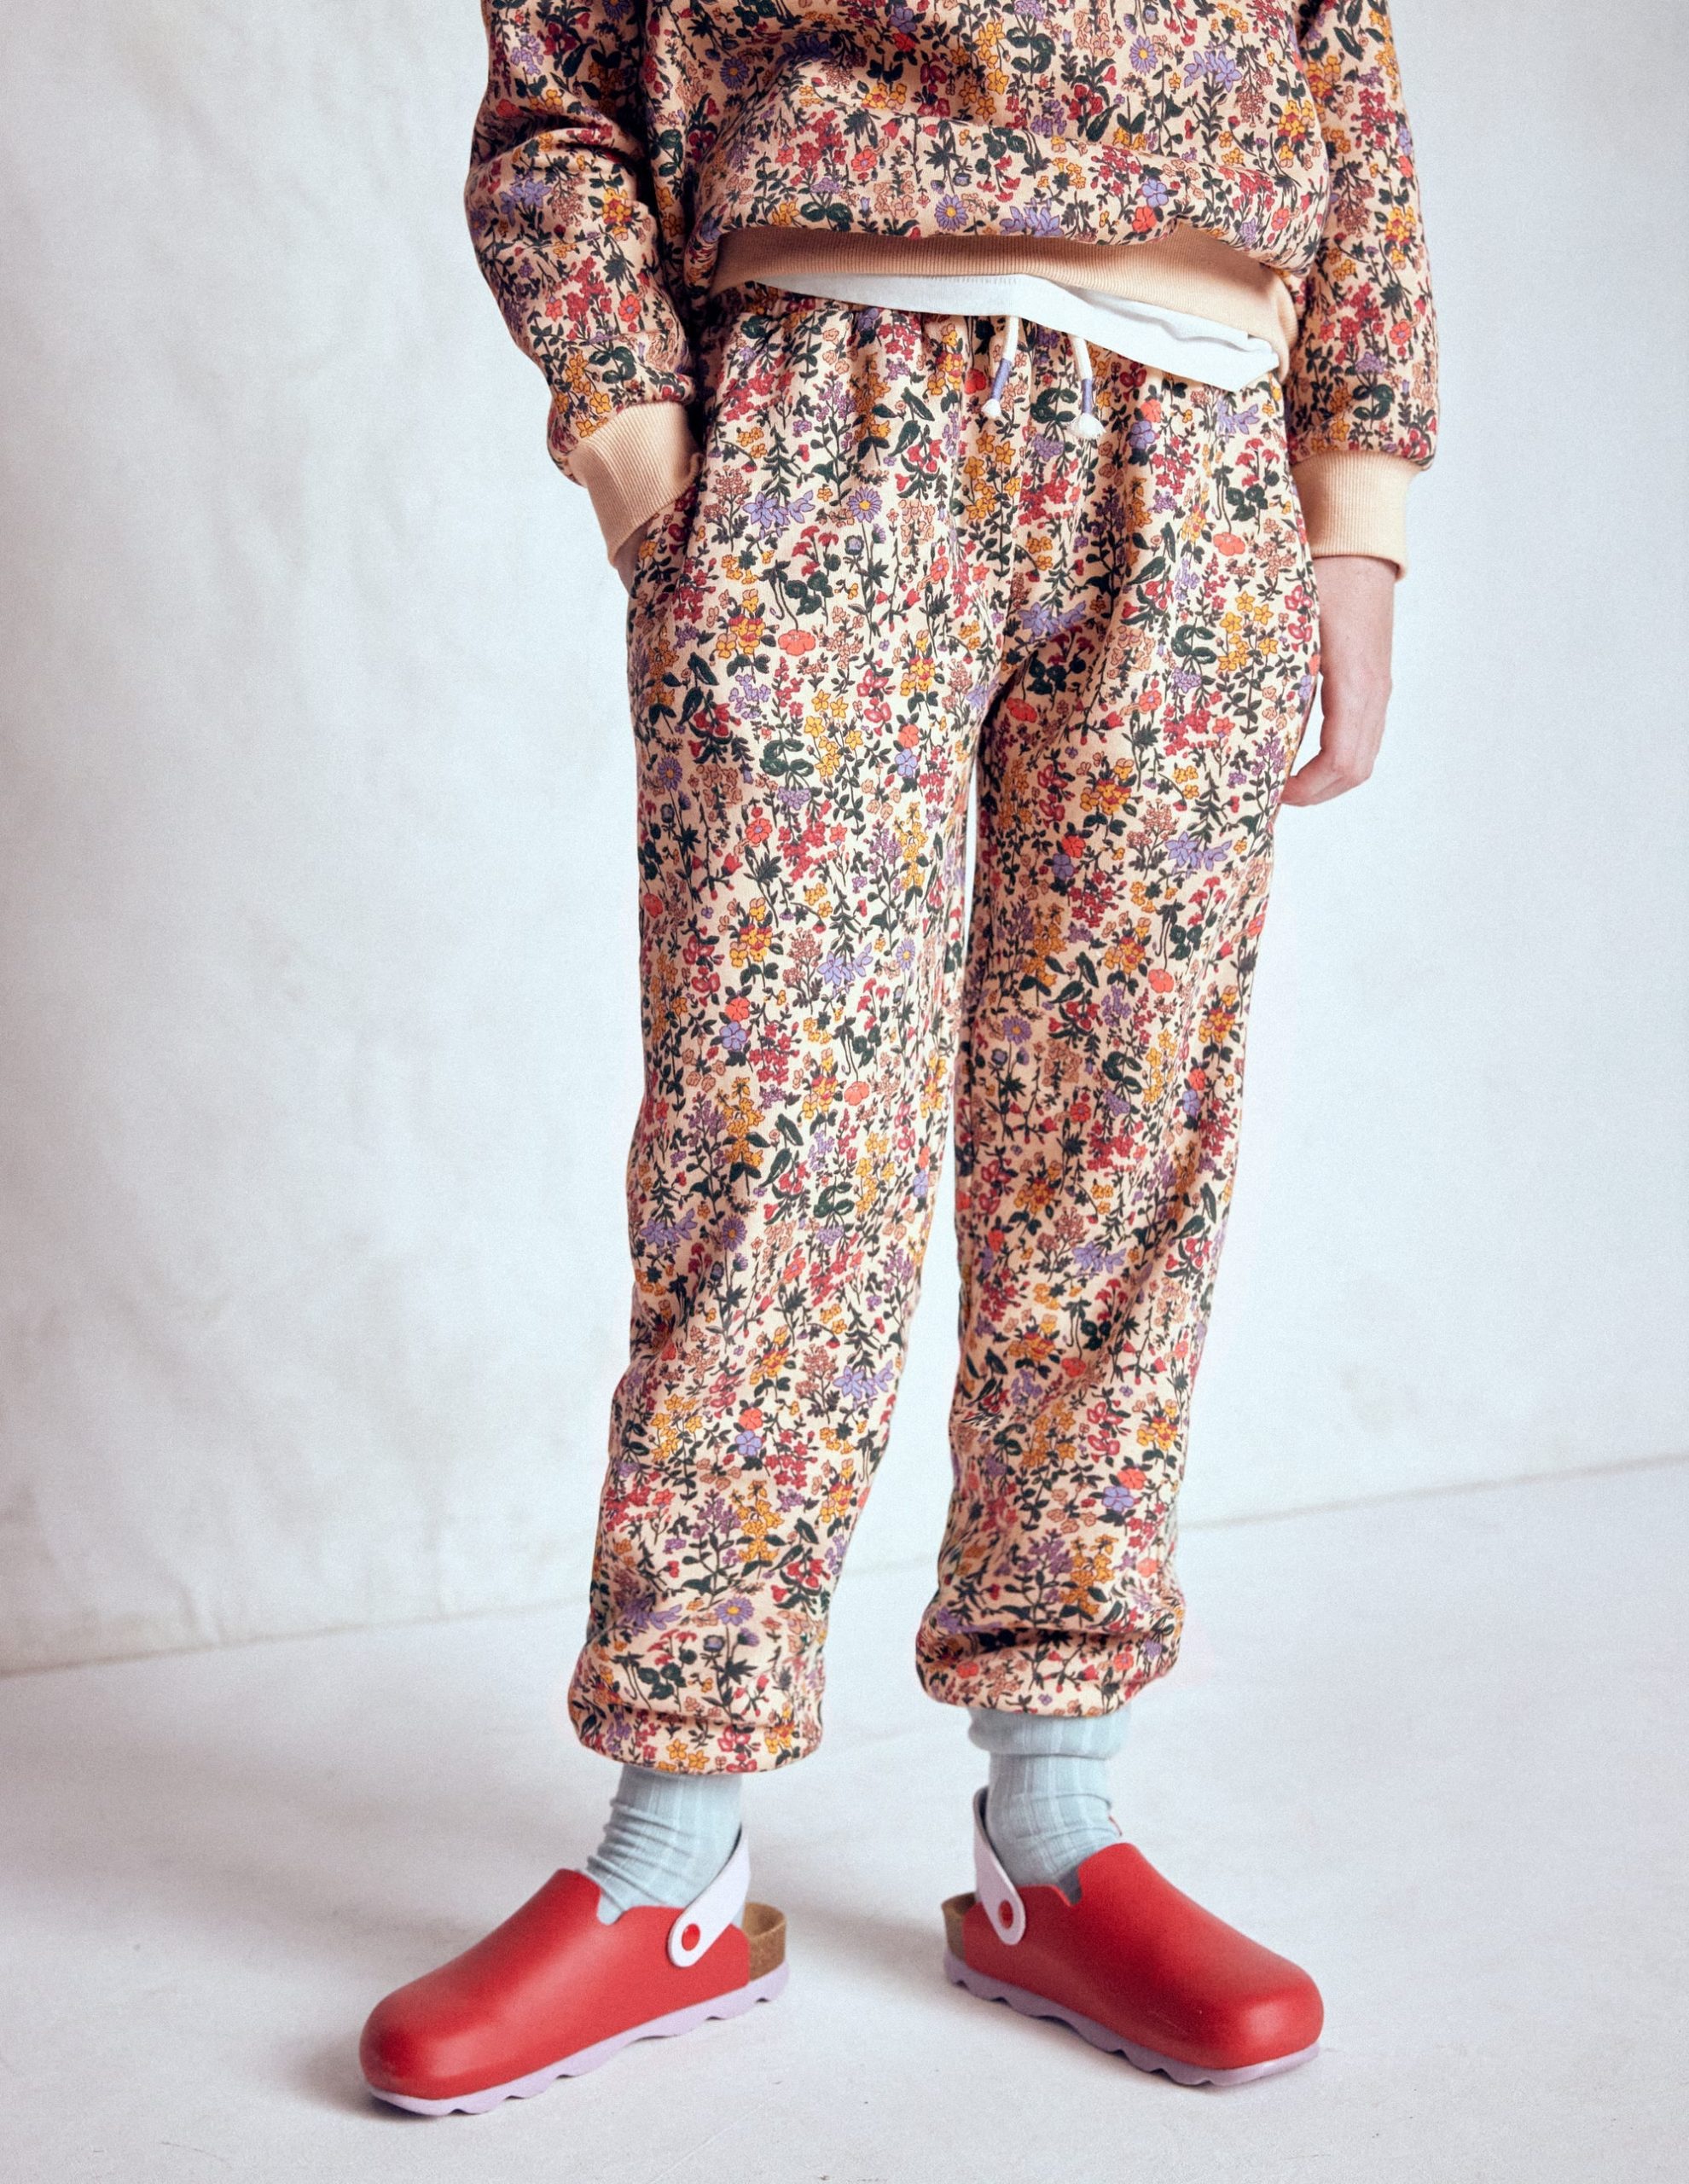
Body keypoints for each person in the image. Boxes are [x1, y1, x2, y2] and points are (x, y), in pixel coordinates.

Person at [359, 0, 1437, 2113]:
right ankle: (671, 1856)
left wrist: (1355, 505)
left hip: (1196, 438)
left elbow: (1350, 69)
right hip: (823, 393)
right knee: (775, 1135)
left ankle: (1057, 1825)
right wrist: (643, 443)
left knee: (1121, 1132)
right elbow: (557, 76)